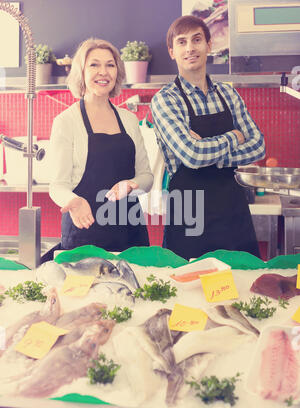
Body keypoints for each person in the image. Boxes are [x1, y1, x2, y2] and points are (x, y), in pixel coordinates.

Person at [151, 15, 265, 261]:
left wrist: (206, 150)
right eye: (182, 42)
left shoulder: (228, 93)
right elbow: (192, 155)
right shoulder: (165, 99)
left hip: (232, 212)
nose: (190, 48)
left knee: (241, 289)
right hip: (189, 217)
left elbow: (258, 146)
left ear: (209, 45)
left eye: (197, 40)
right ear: (172, 52)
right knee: (188, 293)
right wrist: (235, 136)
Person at [49, 38, 153, 252]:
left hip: (129, 231)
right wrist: (73, 201)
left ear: (117, 72)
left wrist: (132, 184)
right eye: (94, 64)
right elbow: (57, 185)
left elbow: (147, 177)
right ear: (82, 71)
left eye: (110, 65)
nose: (103, 72)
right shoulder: (66, 121)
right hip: (85, 230)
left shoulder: (129, 119)